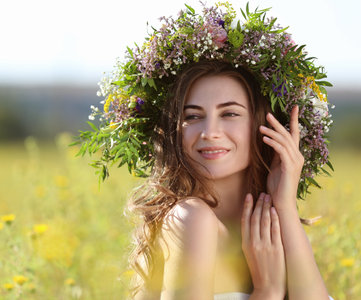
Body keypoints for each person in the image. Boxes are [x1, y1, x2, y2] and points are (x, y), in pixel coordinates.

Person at [80, 3, 334, 299]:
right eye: (192, 116)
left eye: (229, 114)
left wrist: (286, 205)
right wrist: (267, 290)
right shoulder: (191, 218)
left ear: (265, 125)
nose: (209, 131)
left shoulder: (273, 226)